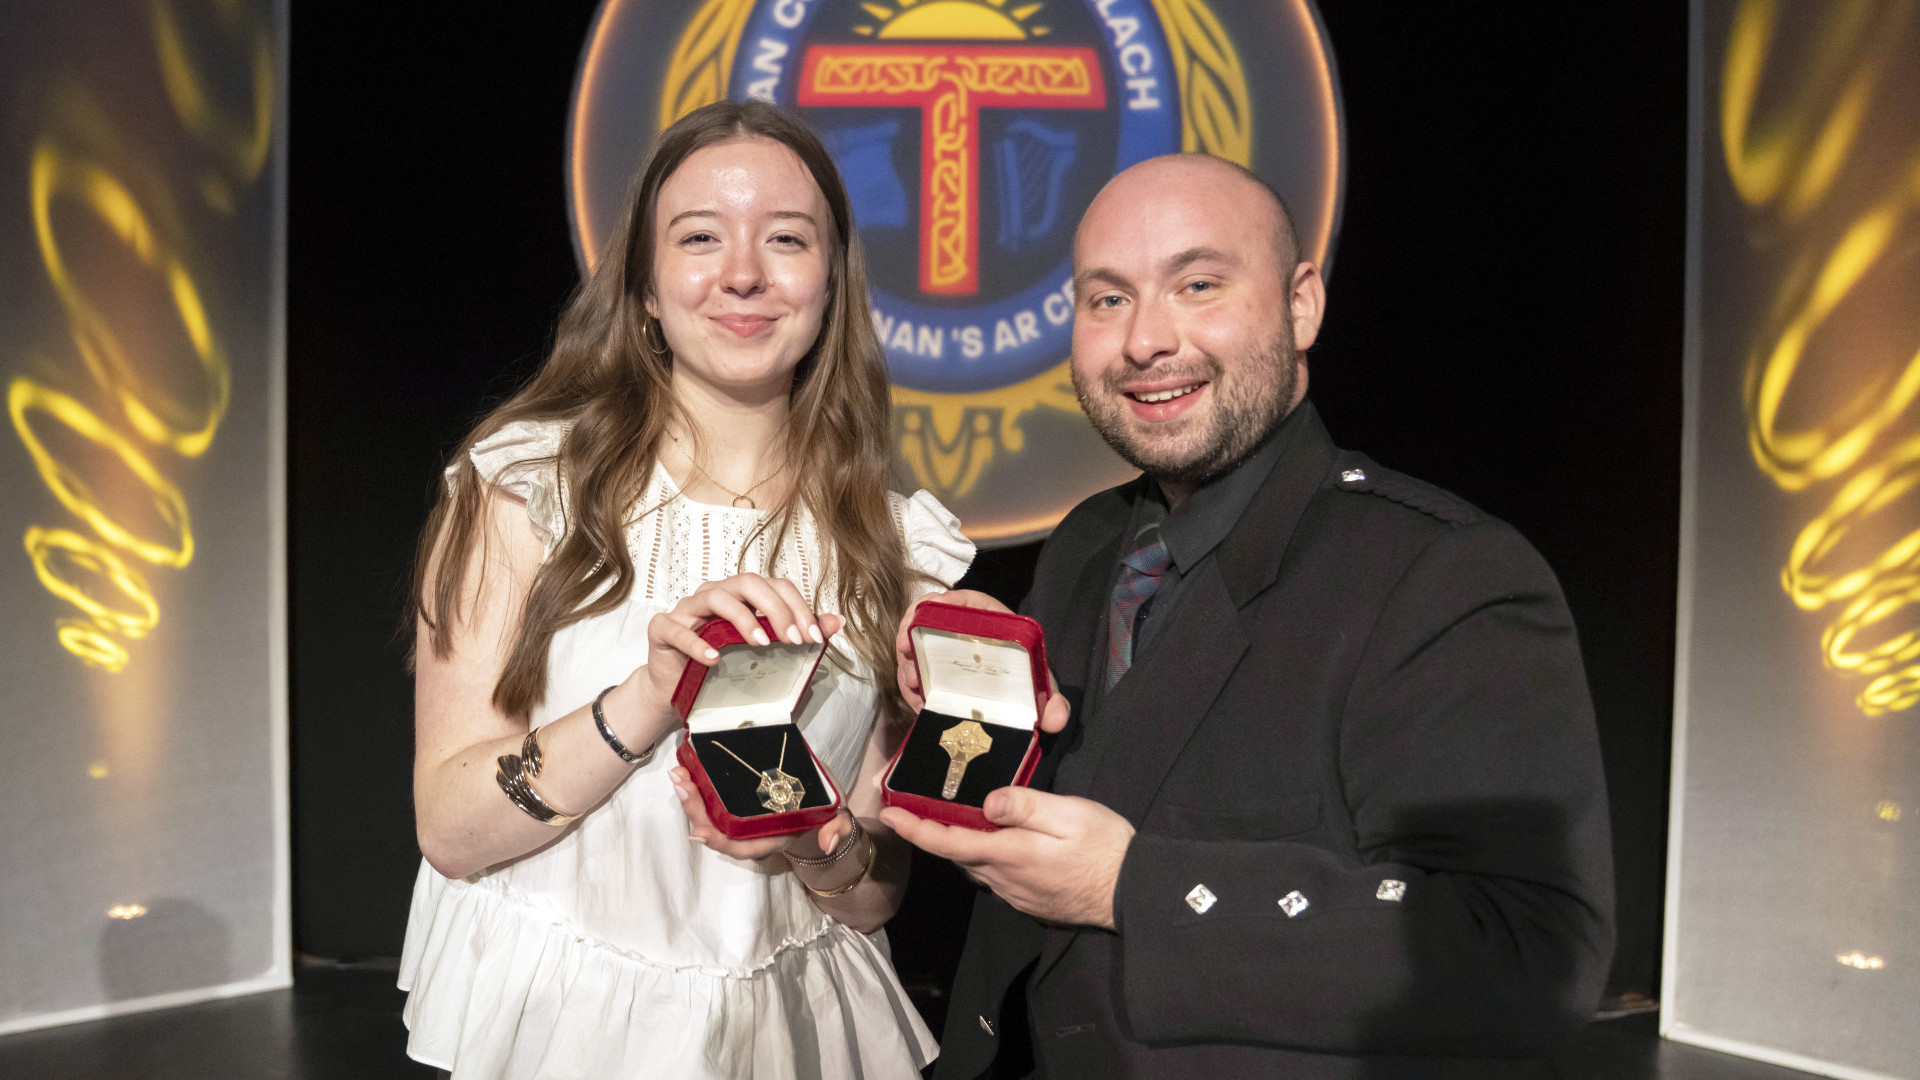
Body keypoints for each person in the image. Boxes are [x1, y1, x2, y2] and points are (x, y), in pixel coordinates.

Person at [882, 154, 1615, 1078]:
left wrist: (1130, 887)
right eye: (1107, 299)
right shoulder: (1085, 546)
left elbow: (1530, 953)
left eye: (1198, 285)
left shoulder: (1442, 574)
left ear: (1301, 305)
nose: (1146, 339)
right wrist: (967, 689)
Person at [397, 100, 971, 1079]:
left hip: (790, 1035)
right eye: (700, 237)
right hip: (560, 1027)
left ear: (831, 284)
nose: (742, 273)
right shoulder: (522, 489)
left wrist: (817, 845)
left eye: (785, 238)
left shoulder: (895, 545)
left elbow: (873, 896)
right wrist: (652, 694)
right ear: (646, 289)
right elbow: (450, 828)